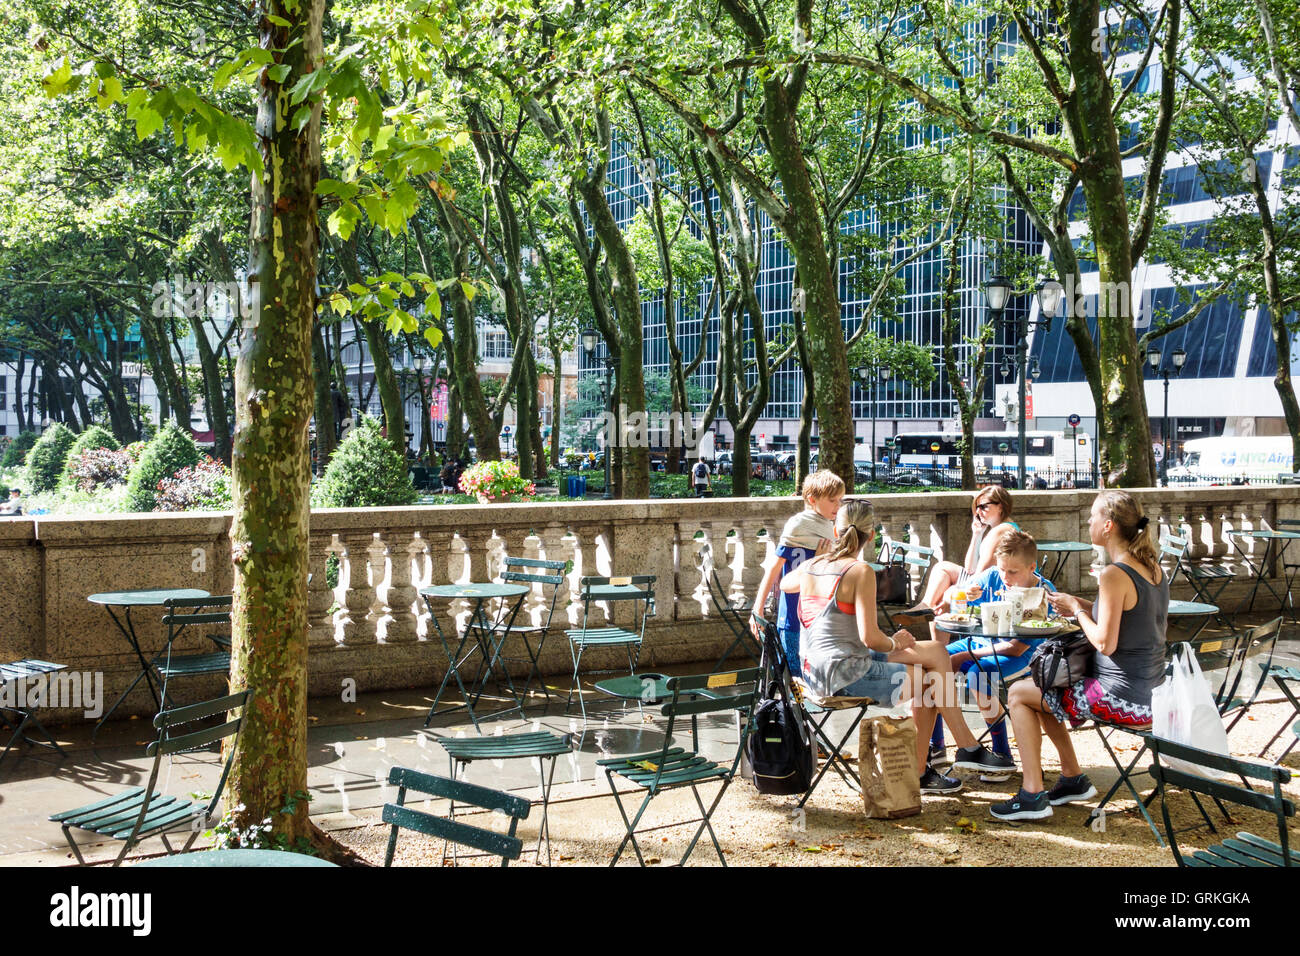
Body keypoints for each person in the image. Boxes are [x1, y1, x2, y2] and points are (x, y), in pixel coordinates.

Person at [782, 499, 1014, 793]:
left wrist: (821, 558)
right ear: (872, 535)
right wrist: (896, 641)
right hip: (844, 675)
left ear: (836, 532)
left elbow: (786, 583)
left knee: (938, 652)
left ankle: (957, 749)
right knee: (932, 682)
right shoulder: (860, 571)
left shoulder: (814, 566)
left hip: (817, 669)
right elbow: (872, 638)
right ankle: (937, 762)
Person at [990, 490, 1168, 821]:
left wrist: (1075, 609)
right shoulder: (1152, 567)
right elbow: (1130, 620)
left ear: (1108, 526)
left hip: (1120, 698)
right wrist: (1082, 606)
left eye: (1093, 517)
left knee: (1018, 692)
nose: (1089, 521)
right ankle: (1071, 777)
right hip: (1152, 694)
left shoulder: (1114, 574)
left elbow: (1105, 643)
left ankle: (1031, 794)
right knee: (1043, 688)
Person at [929, 530, 1055, 778]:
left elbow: (1016, 647)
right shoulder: (992, 576)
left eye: (1013, 572)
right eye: (1002, 570)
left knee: (978, 674)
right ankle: (936, 746)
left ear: (1032, 567)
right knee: (933, 660)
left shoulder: (1041, 593)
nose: (1005, 577)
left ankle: (1001, 754)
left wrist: (964, 657)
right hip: (979, 643)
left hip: (1022, 655)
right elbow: (950, 598)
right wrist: (960, 595)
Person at [750, 470, 844, 675]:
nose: (838, 506)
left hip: (820, 616)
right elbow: (773, 569)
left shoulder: (831, 527)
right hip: (792, 615)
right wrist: (757, 609)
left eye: (840, 500)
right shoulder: (797, 525)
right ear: (812, 499)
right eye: (832, 500)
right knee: (794, 678)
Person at [911, 486, 1019, 615]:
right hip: (994, 581)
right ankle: (926, 605)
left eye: (983, 507)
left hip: (999, 586)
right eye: (976, 507)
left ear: (1000, 507)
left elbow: (981, 574)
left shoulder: (1000, 531)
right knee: (942, 568)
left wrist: (956, 591)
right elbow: (970, 569)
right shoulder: (999, 528)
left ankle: (926, 608)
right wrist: (977, 534)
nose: (978, 512)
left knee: (945, 596)